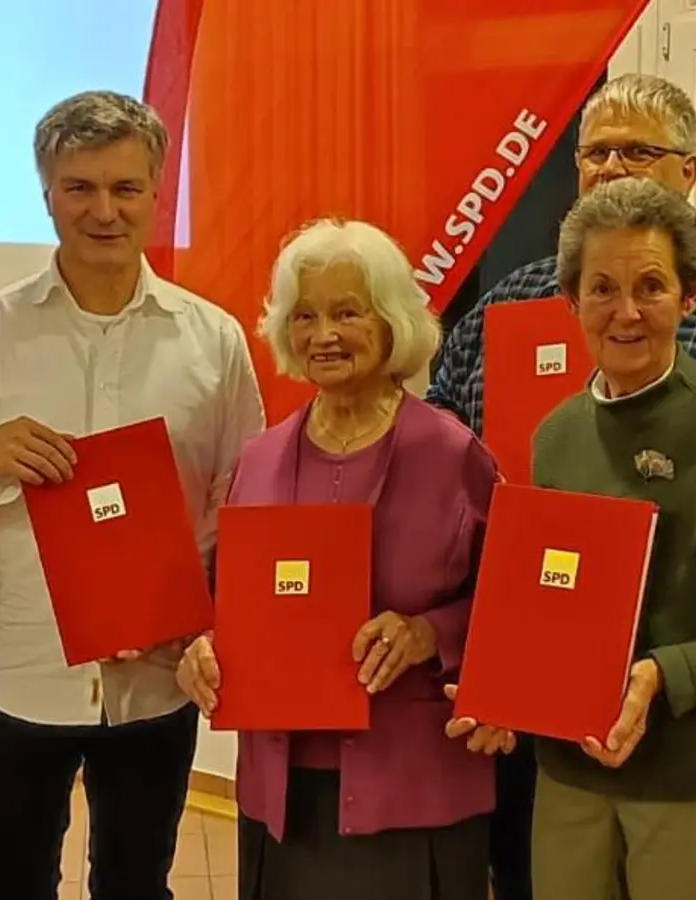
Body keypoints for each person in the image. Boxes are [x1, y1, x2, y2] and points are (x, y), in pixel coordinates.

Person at [423, 72, 696, 899]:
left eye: (638, 151)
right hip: (526, 660)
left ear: (689, 172)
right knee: (526, 872)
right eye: (596, 153)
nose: (613, 168)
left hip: (671, 681)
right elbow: (443, 443)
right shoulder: (508, 302)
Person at [448, 176, 696, 900]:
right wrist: (506, 692)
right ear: (569, 301)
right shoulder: (556, 433)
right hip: (571, 776)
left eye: (651, 286)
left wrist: (663, 673)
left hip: (691, 783)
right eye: (601, 288)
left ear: (690, 297)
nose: (626, 312)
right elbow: (554, 593)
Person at [0, 90, 265, 900]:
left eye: (125, 188)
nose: (103, 210)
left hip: (155, 679)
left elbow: (244, 507)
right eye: (79, 188)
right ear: (47, 194)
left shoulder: (212, 339)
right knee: (7, 883)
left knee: (137, 882)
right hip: (18, 671)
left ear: (155, 191)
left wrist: (200, 616)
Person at [174, 218, 504, 900]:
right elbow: (229, 601)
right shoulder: (259, 459)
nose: (323, 334)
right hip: (285, 795)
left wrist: (428, 635)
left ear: (390, 324)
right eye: (305, 316)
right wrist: (203, 647)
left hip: (415, 789)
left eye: (347, 312)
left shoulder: (453, 455)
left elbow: (513, 608)